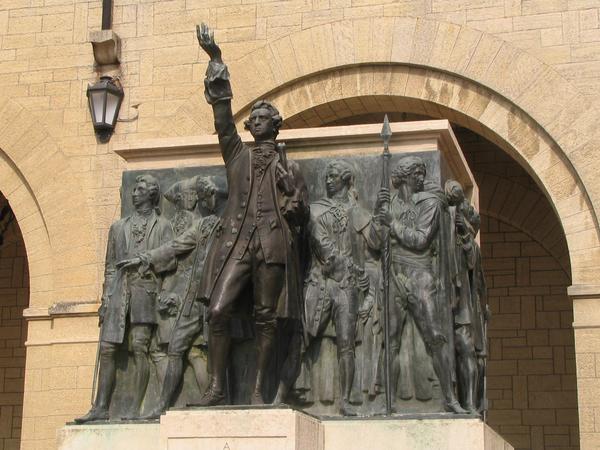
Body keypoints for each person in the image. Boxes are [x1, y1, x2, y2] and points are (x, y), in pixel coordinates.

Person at [195, 23, 308, 406]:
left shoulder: (288, 167)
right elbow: (222, 120)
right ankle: (216, 386)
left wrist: (292, 197)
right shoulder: (238, 156)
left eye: (262, 117)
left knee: (266, 317)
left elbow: (300, 215)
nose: (254, 120)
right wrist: (216, 61)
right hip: (237, 244)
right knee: (217, 309)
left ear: (274, 125)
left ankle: (259, 388)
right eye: (253, 118)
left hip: (272, 246)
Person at [119, 177, 221, 419]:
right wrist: (144, 258)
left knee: (189, 351)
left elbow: (176, 248)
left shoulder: (215, 225)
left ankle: (168, 405)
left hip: (207, 301)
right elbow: (174, 247)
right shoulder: (203, 226)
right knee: (190, 351)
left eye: (202, 195)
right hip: (196, 300)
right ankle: (171, 404)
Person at [75, 174, 174, 422]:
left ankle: (135, 407)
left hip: (146, 292)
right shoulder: (118, 227)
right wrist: (105, 300)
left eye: (140, 189)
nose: (134, 193)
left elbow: (171, 258)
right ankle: (100, 407)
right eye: (134, 189)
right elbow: (110, 266)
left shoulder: (162, 226)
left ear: (151, 194)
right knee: (107, 348)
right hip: (119, 294)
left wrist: (147, 260)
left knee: (140, 347)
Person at [378, 156, 467, 414]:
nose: (421, 177)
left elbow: (420, 239)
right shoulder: (390, 203)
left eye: (422, 173)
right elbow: (375, 241)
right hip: (395, 277)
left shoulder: (429, 204)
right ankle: (389, 403)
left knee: (435, 338)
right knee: (390, 340)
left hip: (420, 276)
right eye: (417, 172)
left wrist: (391, 223)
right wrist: (378, 214)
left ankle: (450, 399)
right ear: (405, 175)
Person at [302, 160, 380, 415]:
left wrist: (381, 211)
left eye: (334, 176)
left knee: (346, 345)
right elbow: (319, 245)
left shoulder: (357, 212)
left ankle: (345, 400)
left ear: (347, 180)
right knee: (304, 334)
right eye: (327, 176)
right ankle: (287, 388)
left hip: (348, 287)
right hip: (321, 281)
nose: (328, 180)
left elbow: (376, 246)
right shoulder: (314, 209)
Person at [445, 180, 488, 414]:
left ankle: (469, 402)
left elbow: (472, 264)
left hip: (462, 304)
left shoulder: (469, 243)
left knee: (465, 348)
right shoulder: (444, 225)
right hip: (442, 297)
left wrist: (463, 232)